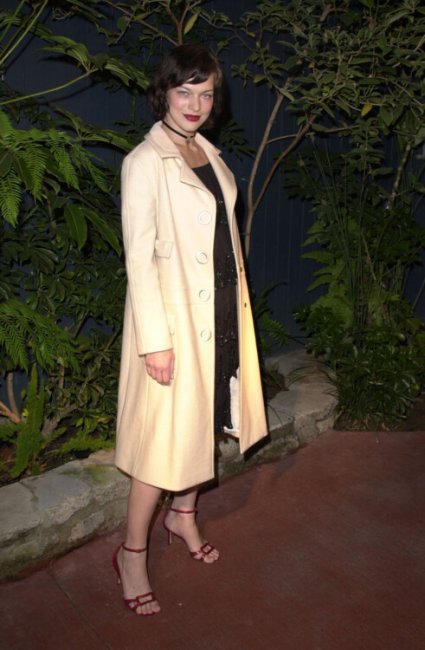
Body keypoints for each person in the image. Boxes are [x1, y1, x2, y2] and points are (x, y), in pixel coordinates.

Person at [113, 43, 267, 616]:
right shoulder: (145, 162)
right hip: (174, 322)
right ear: (164, 93)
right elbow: (138, 259)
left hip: (219, 313)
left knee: (204, 423)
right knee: (163, 445)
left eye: (206, 93)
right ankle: (131, 551)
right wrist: (155, 341)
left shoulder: (206, 152)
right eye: (185, 91)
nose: (196, 104)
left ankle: (183, 516)